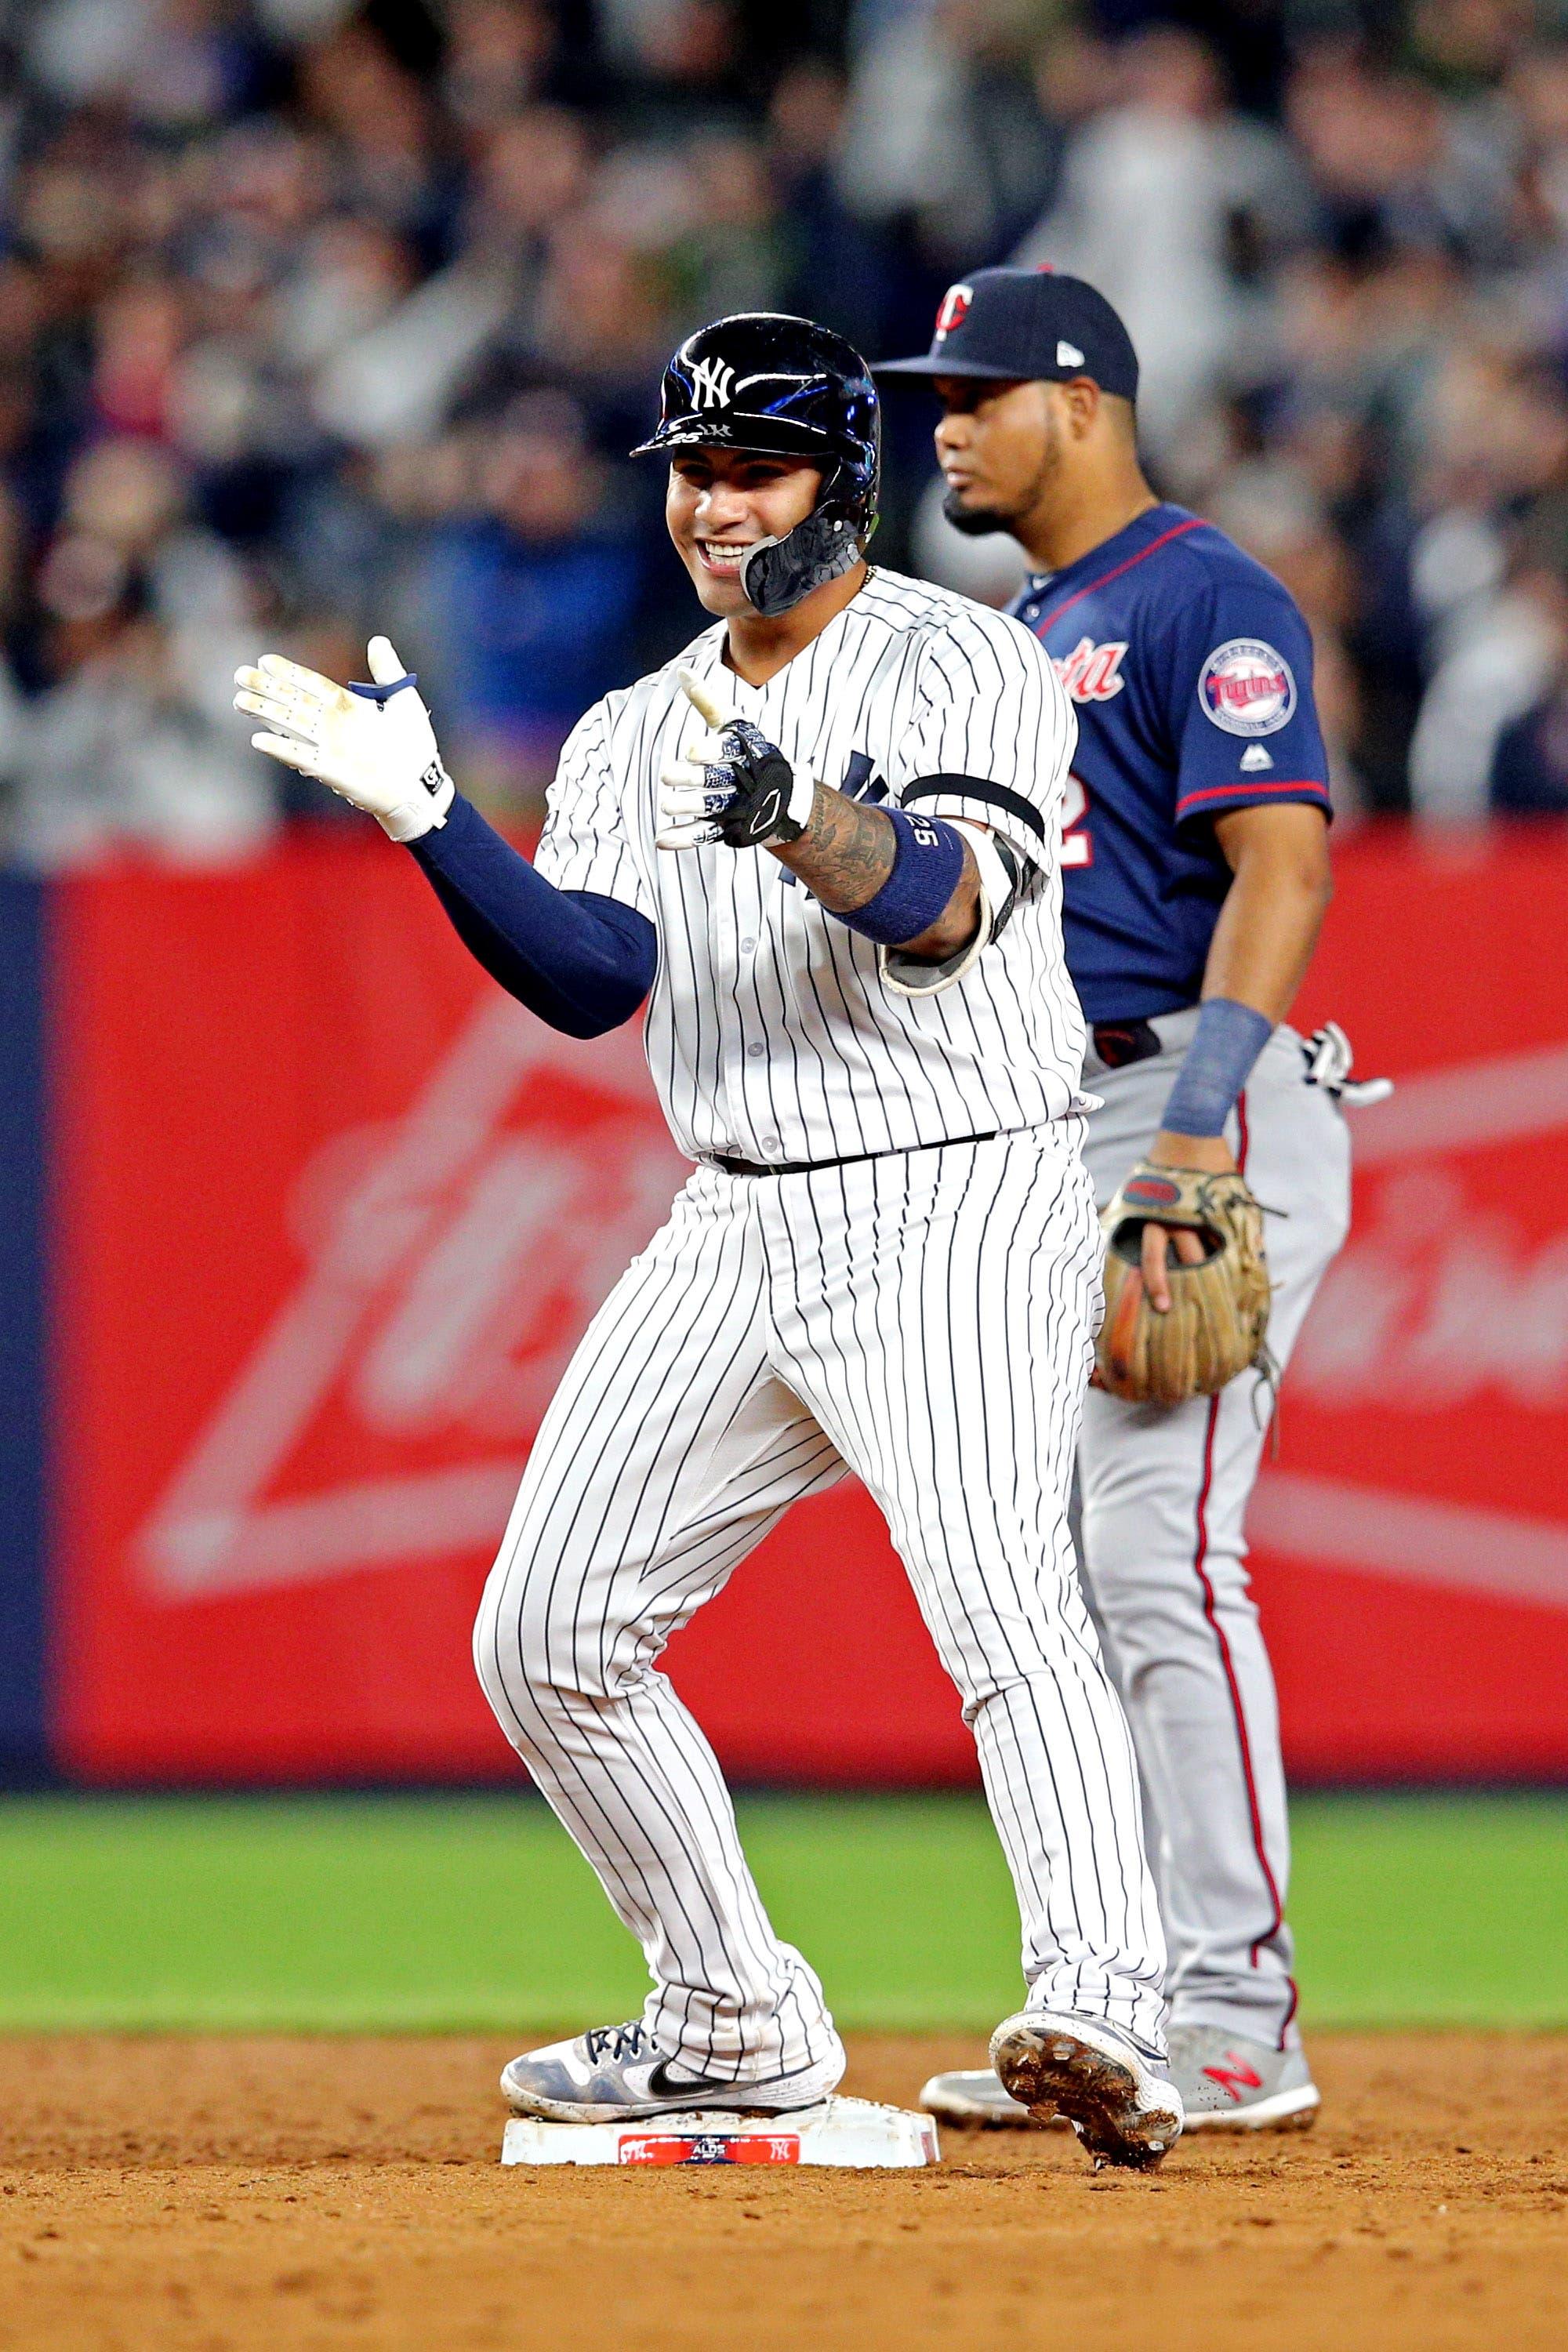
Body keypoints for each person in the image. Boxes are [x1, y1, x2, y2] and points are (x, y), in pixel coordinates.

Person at [234, 312, 1184, 2170]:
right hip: (735, 1213)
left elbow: (949, 902)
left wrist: (795, 817)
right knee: (547, 1634)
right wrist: (435, 826)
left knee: (998, 1599)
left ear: (845, 481)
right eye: (689, 468)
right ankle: (732, 2014)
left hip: (957, 1188)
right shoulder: (626, 724)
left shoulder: (965, 661)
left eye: (751, 465)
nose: (711, 503)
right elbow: (595, 982)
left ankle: (1106, 2005)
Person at [881, 268, 1356, 2132]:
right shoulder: (1024, 627)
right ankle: (1115, 2005)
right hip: (1040, 1114)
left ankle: (1237, 2016)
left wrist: (1196, 1129)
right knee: (1055, 1582)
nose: (945, 426)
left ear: (1079, 402)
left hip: (1182, 1095)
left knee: (1157, 1552)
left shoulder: (1197, 595)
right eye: (936, 398)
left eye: (975, 395)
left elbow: (1283, 864)